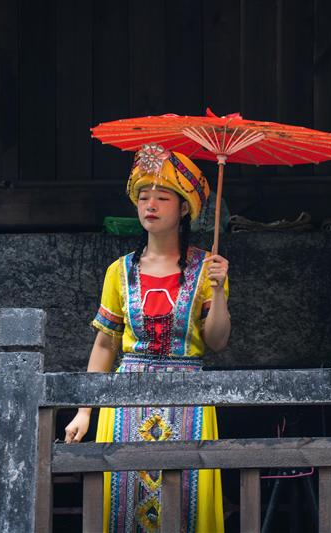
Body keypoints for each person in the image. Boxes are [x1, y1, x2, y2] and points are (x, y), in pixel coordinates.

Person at [64, 143, 229, 533]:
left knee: (184, 505)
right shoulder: (118, 272)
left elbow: (217, 342)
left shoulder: (209, 267)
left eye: (162, 197)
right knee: (123, 505)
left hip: (188, 394)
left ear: (184, 207)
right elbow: (105, 344)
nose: (150, 205)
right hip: (126, 401)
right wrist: (85, 411)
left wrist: (219, 291)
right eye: (143, 197)